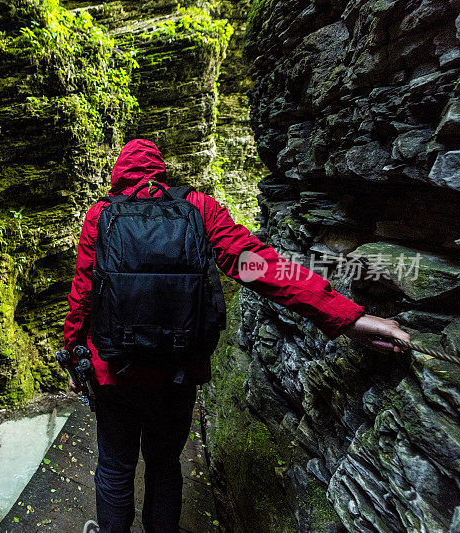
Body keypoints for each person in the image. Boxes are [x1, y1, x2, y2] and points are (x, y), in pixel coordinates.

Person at [63, 139, 411, 533]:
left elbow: (83, 295)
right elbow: (261, 268)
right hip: (177, 372)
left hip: (114, 371)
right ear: (161, 170)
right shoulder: (200, 208)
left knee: (114, 466)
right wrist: (347, 318)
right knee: (164, 464)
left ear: (118, 172)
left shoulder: (100, 215)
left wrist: (73, 355)